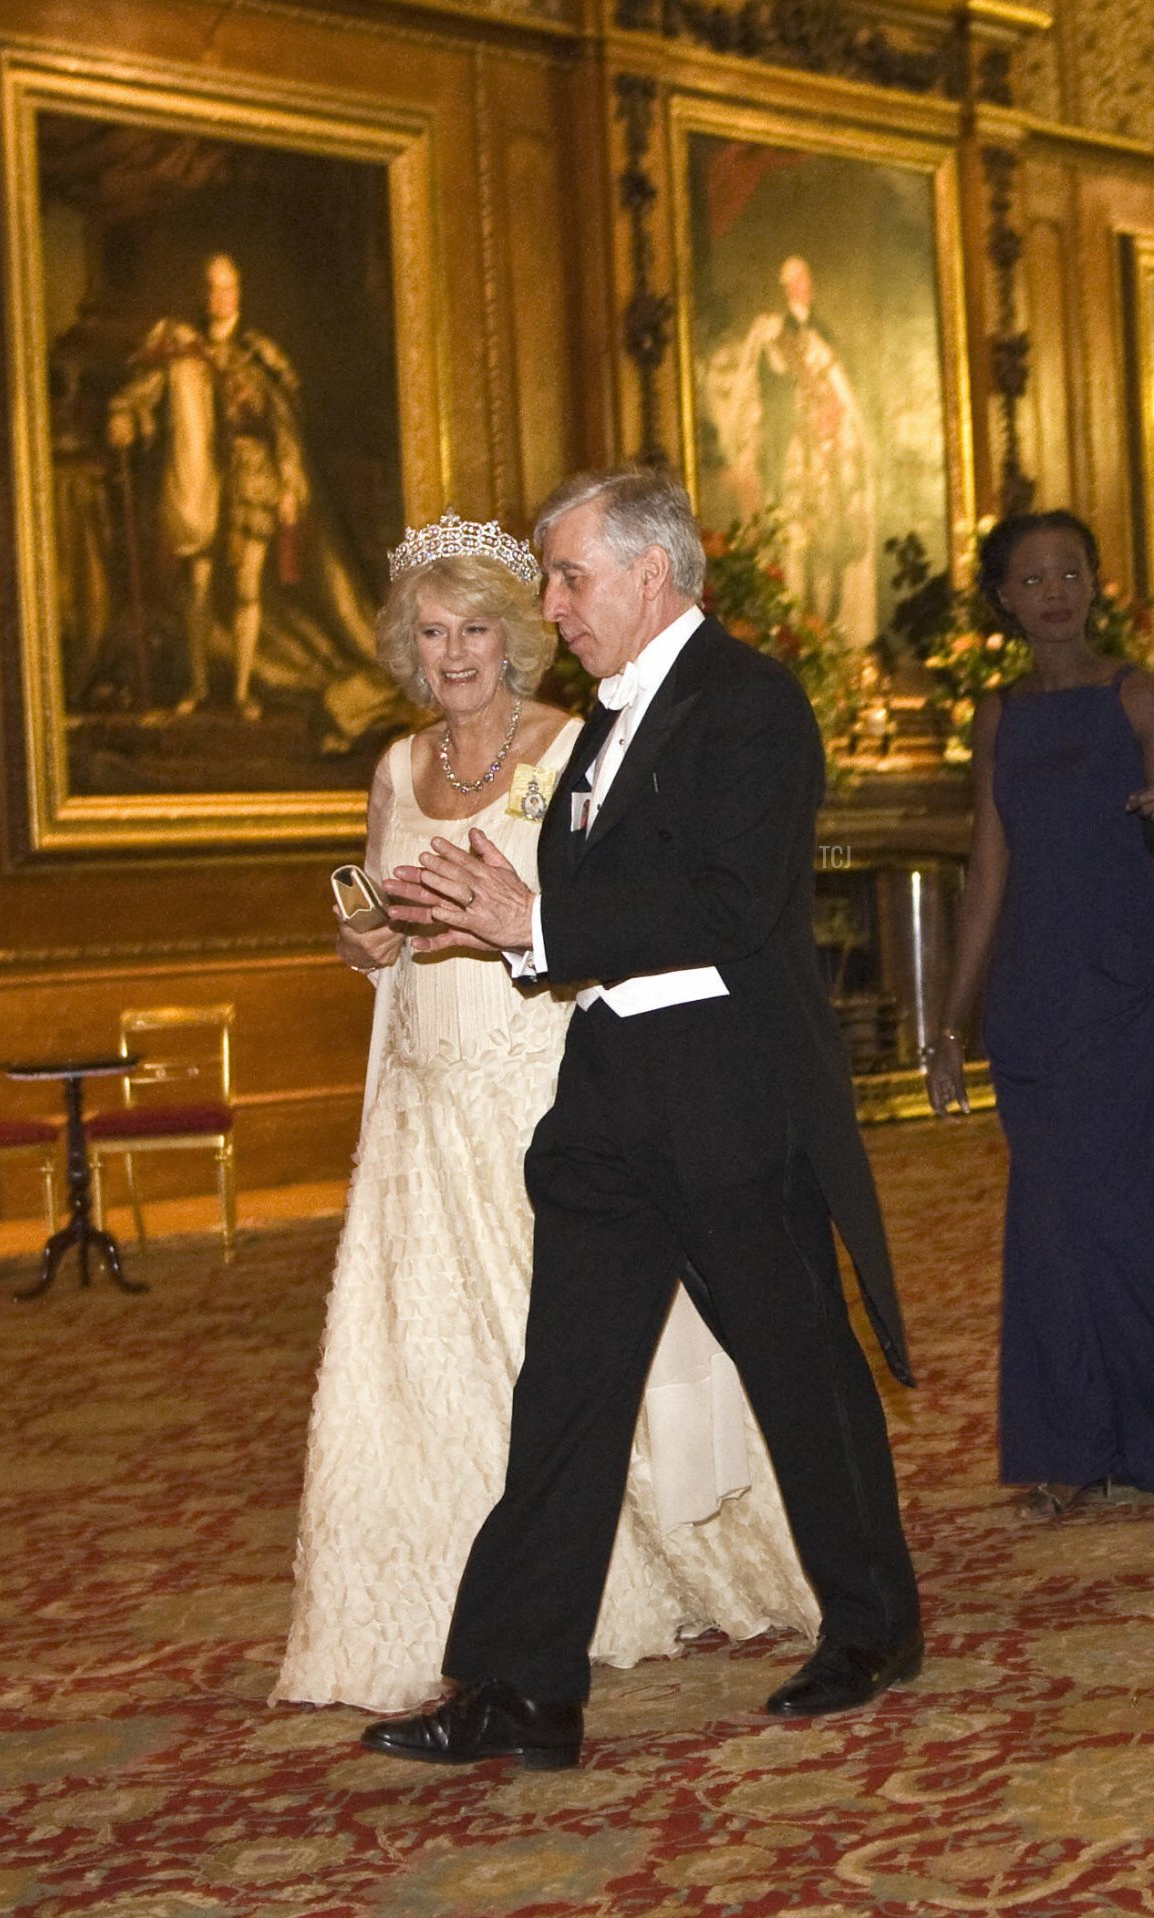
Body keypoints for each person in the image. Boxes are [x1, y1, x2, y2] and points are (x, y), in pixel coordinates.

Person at [365, 468, 921, 1771]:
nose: (552, 608)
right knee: (563, 1386)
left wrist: (540, 922)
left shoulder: (753, 703)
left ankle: (874, 1620)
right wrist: (514, 914)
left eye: (569, 577)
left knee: (798, 1366)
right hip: (611, 1092)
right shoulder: (605, 726)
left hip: (732, 1093)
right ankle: (520, 1685)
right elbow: (587, 910)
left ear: (652, 572)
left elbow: (730, 908)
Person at [272, 509, 821, 1717]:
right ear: (405, 647)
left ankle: (604, 1601)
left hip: (538, 1085)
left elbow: (608, 918)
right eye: (432, 632)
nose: (455, 652)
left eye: (477, 627)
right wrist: (365, 938)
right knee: (433, 1365)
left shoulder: (577, 746)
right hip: (424, 1101)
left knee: (561, 1363)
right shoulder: (394, 768)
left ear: (519, 636)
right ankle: (448, 1620)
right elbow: (378, 933)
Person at [925, 509, 1154, 1515]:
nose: (1055, 589)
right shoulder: (998, 717)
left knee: (1124, 1220)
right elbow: (988, 871)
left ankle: (1131, 1438)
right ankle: (1068, 1446)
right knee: (1053, 1226)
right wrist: (948, 1022)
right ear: (1005, 601)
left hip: (1130, 987)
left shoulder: (1140, 698)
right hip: (1034, 999)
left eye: (1071, 571)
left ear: (1097, 584)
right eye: (1034, 577)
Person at [107, 252, 307, 718]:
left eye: (229, 287)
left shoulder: (259, 353)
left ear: (239, 292)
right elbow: (140, 396)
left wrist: (291, 482)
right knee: (196, 585)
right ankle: (197, 686)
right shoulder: (182, 351)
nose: (221, 297)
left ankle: (240, 692)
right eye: (213, 288)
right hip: (199, 479)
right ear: (204, 294)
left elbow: (285, 425)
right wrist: (125, 418)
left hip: (253, 479)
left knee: (246, 587)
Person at [702, 256, 875, 651]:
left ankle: (830, 627)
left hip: (830, 464)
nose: (797, 288)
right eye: (789, 283)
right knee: (796, 543)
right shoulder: (773, 337)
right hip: (796, 458)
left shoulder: (824, 337)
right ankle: (800, 623)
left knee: (833, 545)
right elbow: (761, 393)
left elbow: (841, 397)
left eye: (801, 281)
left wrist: (834, 427)